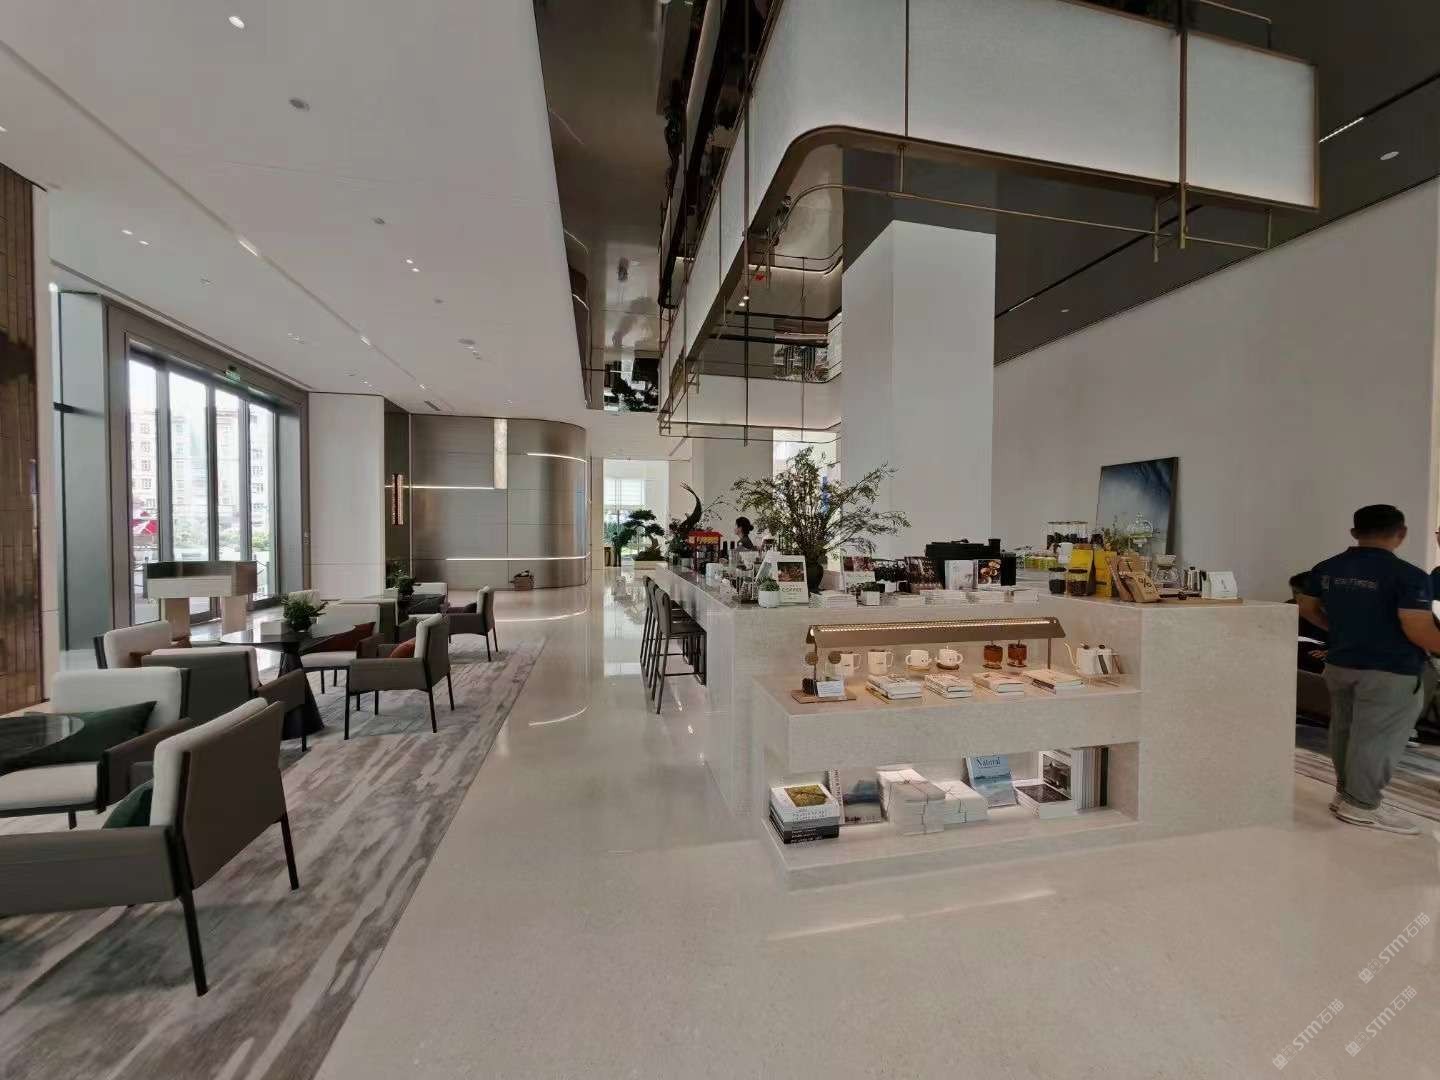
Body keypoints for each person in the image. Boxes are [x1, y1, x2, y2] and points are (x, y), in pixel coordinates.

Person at [1298, 504, 1440, 835]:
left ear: (1354, 532)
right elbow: (1418, 628)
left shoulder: (1328, 568)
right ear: (1401, 533)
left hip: (1340, 664)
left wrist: (1338, 631)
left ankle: (1346, 795)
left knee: (1345, 731)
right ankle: (1362, 805)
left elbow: (1306, 606)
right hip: (1390, 669)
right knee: (1378, 737)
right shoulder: (1408, 576)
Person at [1288, 571, 1328, 674]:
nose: (1295, 597)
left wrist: (1329, 652)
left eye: (1298, 592)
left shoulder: (1331, 611)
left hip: (1319, 657)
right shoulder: (1289, 607)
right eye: (1294, 592)